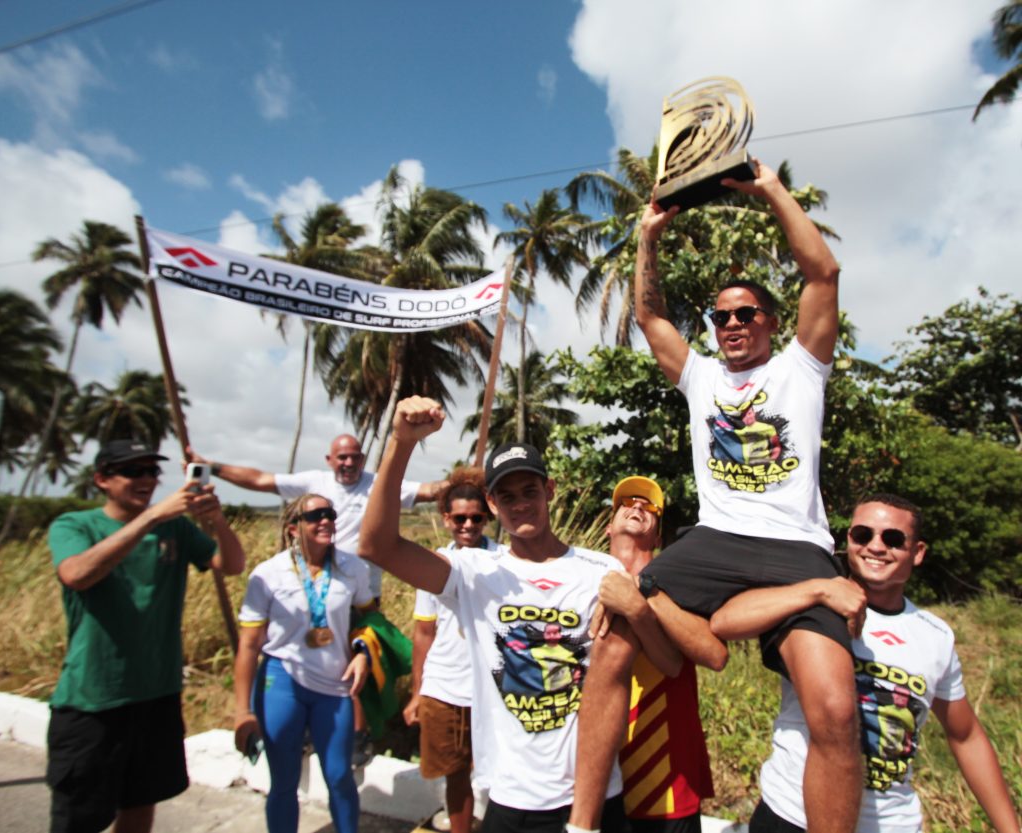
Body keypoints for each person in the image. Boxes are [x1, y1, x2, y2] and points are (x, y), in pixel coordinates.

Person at [570, 160, 856, 833]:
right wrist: (648, 236)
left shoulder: (801, 367)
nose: (731, 322)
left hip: (798, 545)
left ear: (771, 320)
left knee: (835, 711)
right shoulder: (699, 377)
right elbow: (648, 313)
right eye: (720, 314)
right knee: (613, 629)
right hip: (716, 538)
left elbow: (824, 274)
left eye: (746, 312)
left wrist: (770, 190)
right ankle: (582, 824)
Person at [360, 395, 682, 833]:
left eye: (530, 490)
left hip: (593, 798)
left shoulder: (601, 571)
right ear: (492, 504)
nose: (521, 504)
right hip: (512, 798)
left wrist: (639, 610)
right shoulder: (473, 573)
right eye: (506, 495)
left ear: (548, 491)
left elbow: (668, 662)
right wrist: (400, 443)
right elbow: (376, 546)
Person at [710, 494, 1021, 833]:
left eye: (893, 539)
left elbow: (965, 736)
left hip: (889, 825)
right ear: (848, 540)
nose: (875, 546)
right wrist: (816, 590)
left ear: (917, 552)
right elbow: (726, 621)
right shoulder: (810, 606)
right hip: (792, 815)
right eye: (862, 535)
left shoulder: (935, 636)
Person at [46, 439, 246, 833]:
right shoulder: (75, 525)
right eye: (133, 471)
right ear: (101, 479)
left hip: (157, 694)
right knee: (79, 817)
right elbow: (76, 574)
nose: (146, 479)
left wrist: (218, 522)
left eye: (152, 471)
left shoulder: (176, 529)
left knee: (140, 804)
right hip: (93, 700)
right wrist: (151, 518)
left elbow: (232, 564)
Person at [233, 493, 374, 833]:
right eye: (315, 516)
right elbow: (249, 645)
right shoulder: (268, 573)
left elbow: (370, 620)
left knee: (340, 775)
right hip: (281, 682)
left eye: (330, 513)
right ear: (293, 528)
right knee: (283, 780)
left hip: (334, 684)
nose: (325, 520)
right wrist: (242, 711)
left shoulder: (352, 568)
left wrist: (362, 652)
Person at [596, 476, 724, 833]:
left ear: (656, 537)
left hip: (665, 773)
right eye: (627, 502)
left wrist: (643, 592)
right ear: (608, 527)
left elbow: (715, 655)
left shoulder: (681, 583)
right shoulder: (583, 577)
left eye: (649, 506)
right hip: (598, 768)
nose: (638, 506)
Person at [188, 433, 447, 600]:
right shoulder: (313, 482)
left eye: (354, 457)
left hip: (364, 594)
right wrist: (212, 468)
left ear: (362, 459)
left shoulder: (380, 486)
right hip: (315, 589)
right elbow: (260, 480)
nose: (348, 463)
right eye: (342, 457)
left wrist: (472, 480)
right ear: (329, 459)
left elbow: (429, 490)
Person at [404, 467, 496, 833]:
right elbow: (424, 632)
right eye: (460, 518)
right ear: (446, 519)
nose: (468, 525)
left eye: (476, 517)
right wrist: (416, 693)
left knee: (495, 773)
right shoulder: (434, 565)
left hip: (492, 687)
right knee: (454, 775)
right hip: (445, 686)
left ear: (487, 517)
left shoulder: (503, 561)